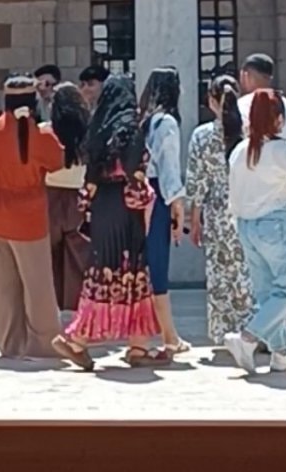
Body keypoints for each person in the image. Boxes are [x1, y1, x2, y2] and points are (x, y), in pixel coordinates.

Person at [52, 75, 164, 370]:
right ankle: (131, 346)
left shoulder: (97, 129)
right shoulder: (130, 127)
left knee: (102, 274)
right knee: (134, 273)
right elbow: (134, 172)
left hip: (103, 208)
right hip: (126, 211)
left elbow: (89, 179)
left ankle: (88, 341)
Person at [0, 76, 64, 358]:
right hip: (30, 218)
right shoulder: (41, 134)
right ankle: (44, 345)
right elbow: (57, 161)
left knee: (3, 287)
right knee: (38, 286)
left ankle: (10, 344)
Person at [224, 90, 286, 374]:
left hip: (246, 226)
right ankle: (247, 337)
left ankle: (281, 352)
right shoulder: (284, 150)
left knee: (268, 294)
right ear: (279, 119)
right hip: (278, 224)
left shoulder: (240, 151)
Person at [186, 75, 254, 344]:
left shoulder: (202, 135)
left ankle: (224, 331)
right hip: (249, 205)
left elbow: (197, 181)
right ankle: (253, 329)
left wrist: (194, 218)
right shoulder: (250, 131)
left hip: (217, 210)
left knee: (220, 272)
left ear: (211, 101)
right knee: (249, 270)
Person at [139, 67, 189, 355]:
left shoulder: (143, 120)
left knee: (146, 264)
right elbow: (169, 168)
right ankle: (169, 335)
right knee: (158, 265)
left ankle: (158, 333)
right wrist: (177, 205)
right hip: (157, 195)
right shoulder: (166, 122)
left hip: (138, 194)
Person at [44, 82, 90, 312]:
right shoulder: (89, 133)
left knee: (48, 259)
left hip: (48, 197)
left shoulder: (44, 131)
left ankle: (51, 309)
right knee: (77, 260)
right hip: (78, 197)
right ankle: (76, 310)